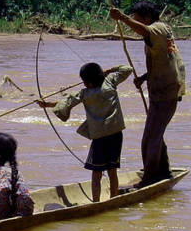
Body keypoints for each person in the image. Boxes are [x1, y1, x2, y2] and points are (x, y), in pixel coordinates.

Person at [110, 1, 186, 187]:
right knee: (156, 133)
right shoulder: (163, 28)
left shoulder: (156, 28)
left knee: (150, 138)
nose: (135, 22)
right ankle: (163, 170)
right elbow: (164, 59)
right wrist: (144, 77)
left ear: (147, 18)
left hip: (165, 93)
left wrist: (122, 18)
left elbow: (145, 31)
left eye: (137, 19)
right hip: (164, 89)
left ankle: (151, 177)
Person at [36, 62, 132, 200]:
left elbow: (66, 102)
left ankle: (96, 202)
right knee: (112, 170)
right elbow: (127, 69)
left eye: (84, 81)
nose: (84, 83)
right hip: (116, 134)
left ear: (89, 82)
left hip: (100, 138)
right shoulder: (110, 81)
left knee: (96, 172)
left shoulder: (85, 94)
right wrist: (110, 70)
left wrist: (46, 104)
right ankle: (113, 199)